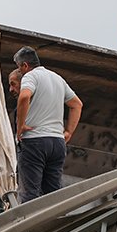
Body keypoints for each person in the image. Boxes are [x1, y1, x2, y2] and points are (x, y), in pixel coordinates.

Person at [13, 46, 83, 203]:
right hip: (57, 142)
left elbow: (24, 97)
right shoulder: (57, 78)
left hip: (35, 140)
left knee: (30, 193)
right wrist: (69, 132)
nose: (20, 72)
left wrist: (21, 126)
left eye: (19, 68)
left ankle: (29, 227)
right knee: (53, 194)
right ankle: (54, 225)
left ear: (24, 65)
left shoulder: (30, 76)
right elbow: (76, 104)